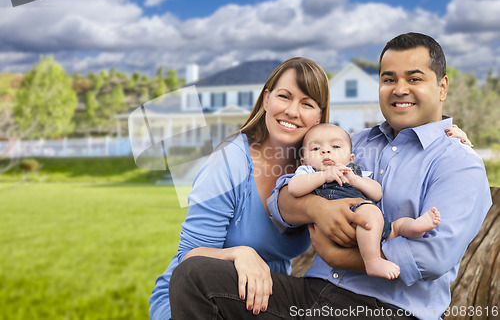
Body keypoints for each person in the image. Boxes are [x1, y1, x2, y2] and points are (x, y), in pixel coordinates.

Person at [169, 32, 491, 320]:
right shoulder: (354, 143)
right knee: (196, 276)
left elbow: (432, 257)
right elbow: (280, 200)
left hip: (385, 309)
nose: (399, 89)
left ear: (442, 87)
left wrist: (338, 255)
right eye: (388, 79)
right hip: (310, 296)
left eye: (414, 78)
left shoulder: (458, 163)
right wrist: (316, 209)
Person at [149, 57, 357, 319]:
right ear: (266, 99)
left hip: (263, 299)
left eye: (307, 104)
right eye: (285, 96)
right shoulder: (230, 162)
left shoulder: (313, 168)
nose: (293, 111)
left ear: (319, 115)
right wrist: (239, 253)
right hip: (195, 298)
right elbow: (190, 256)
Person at [288, 123, 441, 280]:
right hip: (346, 221)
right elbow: (294, 188)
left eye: (335, 146)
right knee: (370, 212)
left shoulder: (354, 172)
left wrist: (356, 180)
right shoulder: (309, 172)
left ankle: (415, 227)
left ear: (350, 159)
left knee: (397, 226)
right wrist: (323, 176)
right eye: (315, 149)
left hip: (370, 225)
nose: (326, 151)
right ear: (303, 161)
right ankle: (373, 260)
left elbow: (377, 193)